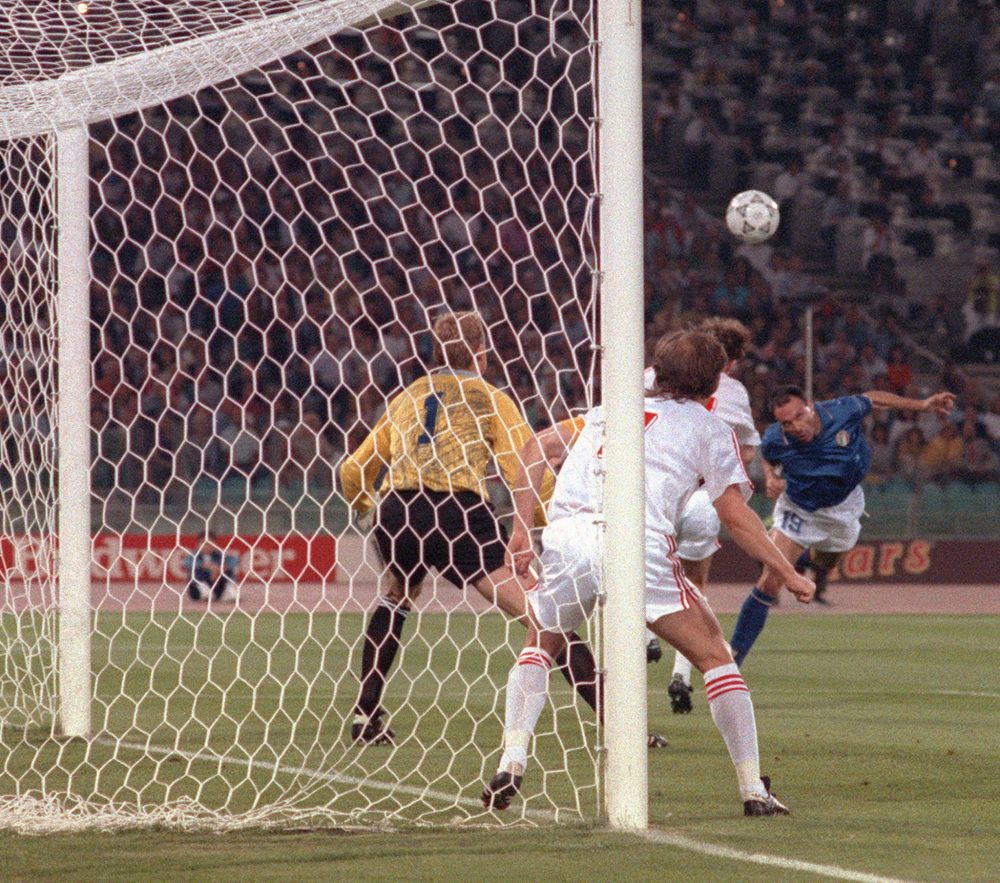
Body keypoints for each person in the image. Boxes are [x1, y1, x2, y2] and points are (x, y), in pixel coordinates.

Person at [481, 330, 815, 817]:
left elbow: (535, 448)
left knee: (540, 643)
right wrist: (787, 571)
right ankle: (752, 789)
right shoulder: (708, 427)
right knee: (717, 657)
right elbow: (736, 516)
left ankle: (513, 756)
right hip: (635, 543)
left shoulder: (605, 411)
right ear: (714, 381)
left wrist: (518, 531)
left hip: (569, 535)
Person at [338, 311, 600, 745]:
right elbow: (523, 465)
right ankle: (622, 723)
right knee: (543, 613)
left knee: (398, 594)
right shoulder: (488, 396)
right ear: (481, 353)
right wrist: (553, 519)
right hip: (457, 513)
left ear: (435, 353)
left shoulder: (406, 396)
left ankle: (365, 715)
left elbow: (353, 469)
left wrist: (367, 507)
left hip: (398, 511)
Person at [730, 383, 955, 661]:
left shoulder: (841, 412)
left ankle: (801, 563)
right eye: (786, 422)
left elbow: (874, 399)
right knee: (769, 581)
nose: (795, 426)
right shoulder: (777, 438)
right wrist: (772, 477)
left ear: (810, 405)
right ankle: (733, 660)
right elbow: (768, 456)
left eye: (799, 415)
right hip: (800, 509)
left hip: (844, 509)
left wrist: (922, 404)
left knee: (825, 563)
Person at [661, 318, 761, 715]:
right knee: (693, 587)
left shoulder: (654, 376)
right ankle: (683, 674)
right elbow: (748, 454)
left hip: (657, 495)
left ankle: (643, 640)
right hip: (704, 500)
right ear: (729, 364)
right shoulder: (734, 391)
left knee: (635, 577)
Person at [184, 533, 239, 603]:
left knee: (229, 572)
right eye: (204, 543)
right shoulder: (193, 556)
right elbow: (187, 563)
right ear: (198, 544)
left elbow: (234, 561)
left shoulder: (219, 555)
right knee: (195, 571)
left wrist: (220, 569)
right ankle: (204, 591)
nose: (207, 545)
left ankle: (228, 591)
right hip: (198, 588)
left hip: (216, 584)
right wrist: (208, 567)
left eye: (210, 543)